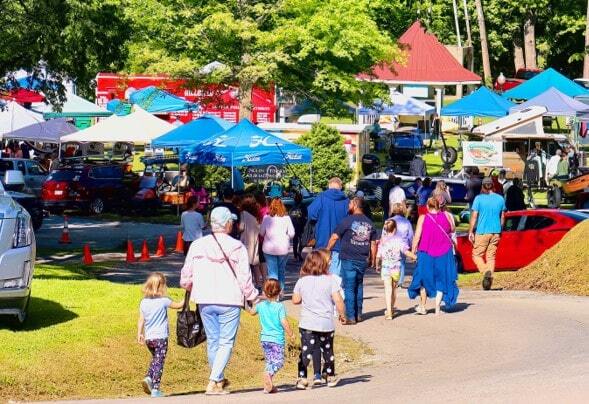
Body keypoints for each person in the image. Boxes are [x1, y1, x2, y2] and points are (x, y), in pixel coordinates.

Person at [180, 206, 260, 395]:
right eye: (231, 221)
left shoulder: (197, 245)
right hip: (230, 299)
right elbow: (244, 278)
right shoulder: (237, 247)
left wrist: (190, 285)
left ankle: (218, 381)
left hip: (205, 299)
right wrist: (253, 298)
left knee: (214, 341)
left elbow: (185, 277)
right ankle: (214, 380)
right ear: (227, 224)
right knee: (225, 342)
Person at [292, 250, 346, 389]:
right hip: (325, 323)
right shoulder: (330, 280)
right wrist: (342, 314)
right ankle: (330, 376)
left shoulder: (302, 281)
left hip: (307, 323)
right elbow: (338, 300)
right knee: (328, 351)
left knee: (306, 351)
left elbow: (295, 300)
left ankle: (302, 378)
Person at [326, 197, 378, 324]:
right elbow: (373, 244)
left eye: (350, 203)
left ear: (355, 205)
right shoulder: (369, 223)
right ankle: (359, 313)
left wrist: (327, 251)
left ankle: (350, 316)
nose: (348, 205)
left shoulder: (347, 221)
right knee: (359, 285)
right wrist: (372, 258)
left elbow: (334, 237)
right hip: (362, 258)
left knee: (349, 287)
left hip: (348, 258)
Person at [408, 197, 459, 315]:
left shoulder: (423, 218)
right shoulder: (446, 216)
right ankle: (437, 308)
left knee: (424, 278)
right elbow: (452, 229)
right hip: (444, 251)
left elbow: (417, 236)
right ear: (438, 206)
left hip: (426, 252)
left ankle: (423, 306)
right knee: (442, 279)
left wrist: (413, 249)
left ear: (427, 206)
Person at [137, 272, 183, 398]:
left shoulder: (143, 302)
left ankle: (148, 378)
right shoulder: (164, 301)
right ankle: (155, 388)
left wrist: (139, 333)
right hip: (161, 338)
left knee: (155, 360)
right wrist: (187, 297)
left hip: (149, 338)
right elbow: (178, 305)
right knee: (159, 362)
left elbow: (141, 320)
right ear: (162, 287)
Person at [249, 279, 294, 394]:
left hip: (265, 339)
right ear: (279, 292)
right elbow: (284, 322)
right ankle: (268, 375)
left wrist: (254, 301)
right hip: (276, 340)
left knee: (270, 361)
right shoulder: (279, 307)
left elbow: (252, 312)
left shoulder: (261, 305)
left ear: (264, 292)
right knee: (278, 362)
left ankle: (268, 386)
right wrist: (291, 333)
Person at [468, 176, 506, 291]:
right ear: (493, 185)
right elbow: (503, 216)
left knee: (476, 255)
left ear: (483, 186)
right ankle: (488, 283)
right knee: (491, 256)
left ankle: (485, 272)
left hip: (482, 231)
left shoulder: (478, 199)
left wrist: (470, 231)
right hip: (496, 231)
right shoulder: (500, 199)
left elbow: (474, 216)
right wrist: (501, 229)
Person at [307, 177, 349, 276]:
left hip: (322, 240)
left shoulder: (321, 198)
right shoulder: (346, 201)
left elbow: (311, 214)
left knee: (320, 270)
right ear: (340, 187)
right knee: (336, 273)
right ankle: (334, 290)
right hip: (340, 241)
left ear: (329, 186)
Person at [376, 220, 417, 319]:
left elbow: (378, 255)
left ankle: (389, 311)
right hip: (396, 268)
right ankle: (391, 308)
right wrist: (415, 257)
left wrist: (377, 265)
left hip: (386, 267)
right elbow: (406, 251)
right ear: (395, 229)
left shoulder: (383, 241)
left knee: (387, 289)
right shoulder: (399, 240)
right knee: (394, 289)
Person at [260, 198, 295, 292]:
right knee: (281, 271)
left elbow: (261, 232)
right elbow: (292, 233)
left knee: (272, 272)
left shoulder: (266, 218)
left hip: (269, 249)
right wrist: (286, 237)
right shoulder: (287, 218)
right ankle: (281, 291)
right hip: (283, 249)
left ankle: (274, 292)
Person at [388, 203, 414, 286]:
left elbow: (384, 234)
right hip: (403, 244)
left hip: (391, 244)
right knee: (402, 263)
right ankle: (400, 281)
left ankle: (391, 277)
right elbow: (410, 236)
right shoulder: (406, 222)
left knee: (391, 261)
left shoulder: (389, 221)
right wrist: (410, 246)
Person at [239, 195, 262, 287]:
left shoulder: (243, 214)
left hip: (245, 241)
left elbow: (241, 227)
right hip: (255, 242)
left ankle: (248, 284)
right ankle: (258, 284)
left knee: (246, 264)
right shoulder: (255, 216)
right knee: (255, 264)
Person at [289, 192, 308, 261]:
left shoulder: (292, 206)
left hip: (294, 225)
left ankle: (295, 256)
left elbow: (290, 216)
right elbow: (306, 216)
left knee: (295, 241)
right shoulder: (303, 206)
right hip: (301, 225)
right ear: (301, 199)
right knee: (301, 241)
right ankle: (299, 253)